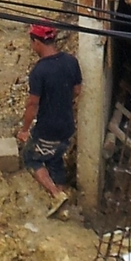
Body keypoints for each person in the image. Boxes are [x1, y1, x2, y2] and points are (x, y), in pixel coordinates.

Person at [16, 22, 81, 212]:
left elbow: (32, 104)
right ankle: (64, 206)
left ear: (37, 42)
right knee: (55, 158)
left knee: (31, 158)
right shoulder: (71, 61)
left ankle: (56, 193)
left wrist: (25, 130)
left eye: (32, 42)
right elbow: (77, 90)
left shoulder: (39, 72)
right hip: (67, 126)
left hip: (47, 129)